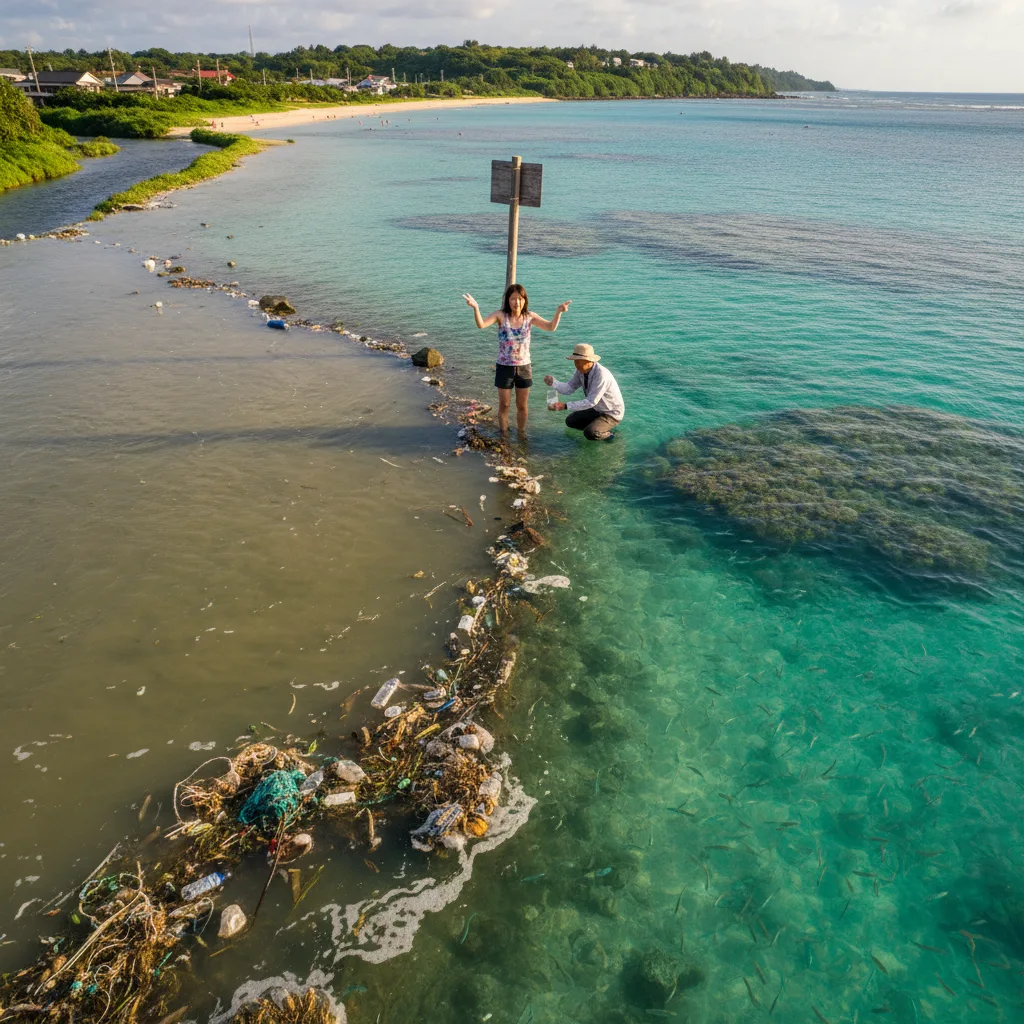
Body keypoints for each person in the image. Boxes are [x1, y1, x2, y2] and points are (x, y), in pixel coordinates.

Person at [463, 285, 571, 433]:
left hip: (524, 367)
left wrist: (559, 312)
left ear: (524, 300)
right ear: (507, 300)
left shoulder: (530, 317)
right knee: (505, 405)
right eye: (513, 299)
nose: (516, 302)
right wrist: (476, 308)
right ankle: (504, 435)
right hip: (504, 367)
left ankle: (521, 433)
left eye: (520, 299)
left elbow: (550, 327)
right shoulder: (500, 316)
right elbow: (481, 325)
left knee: (522, 406)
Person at [545, 343, 624, 440]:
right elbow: (569, 388)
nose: (576, 365)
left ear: (589, 361)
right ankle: (598, 426)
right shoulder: (580, 371)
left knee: (590, 433)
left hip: (611, 413)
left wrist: (565, 406)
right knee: (570, 421)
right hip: (597, 409)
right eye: (575, 362)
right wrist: (554, 383)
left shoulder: (601, 375)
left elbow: (591, 401)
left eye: (579, 362)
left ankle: (610, 436)